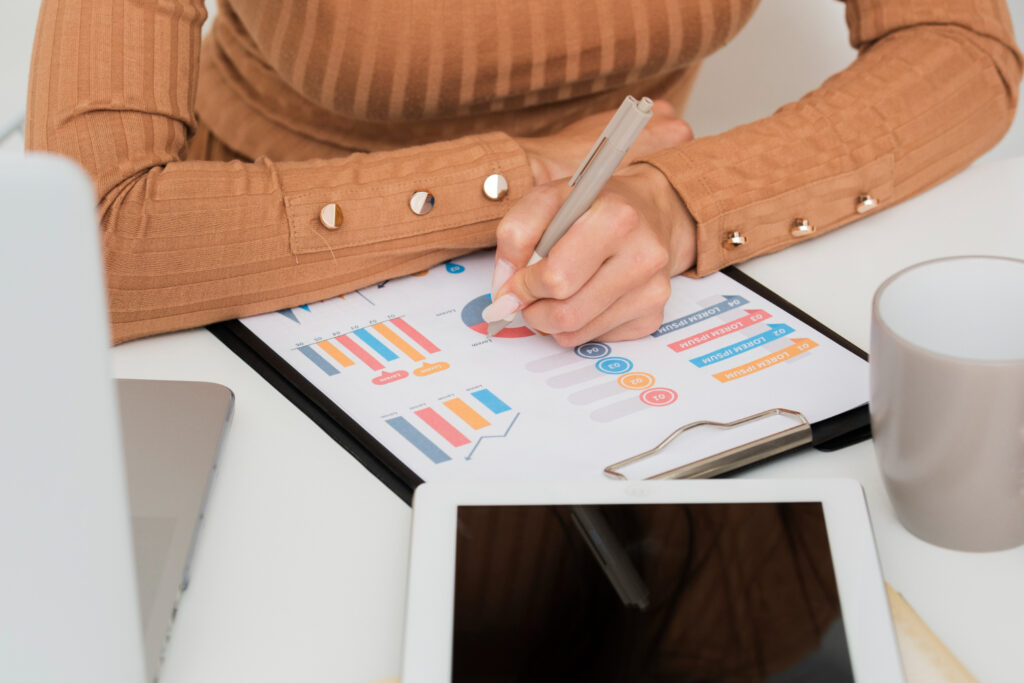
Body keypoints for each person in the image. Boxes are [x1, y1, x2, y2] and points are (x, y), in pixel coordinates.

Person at [26, 0, 1021, 345]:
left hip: (622, 276)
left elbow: (959, 46)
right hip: (242, 288)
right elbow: (85, 239)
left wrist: (677, 201)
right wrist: (522, 173)